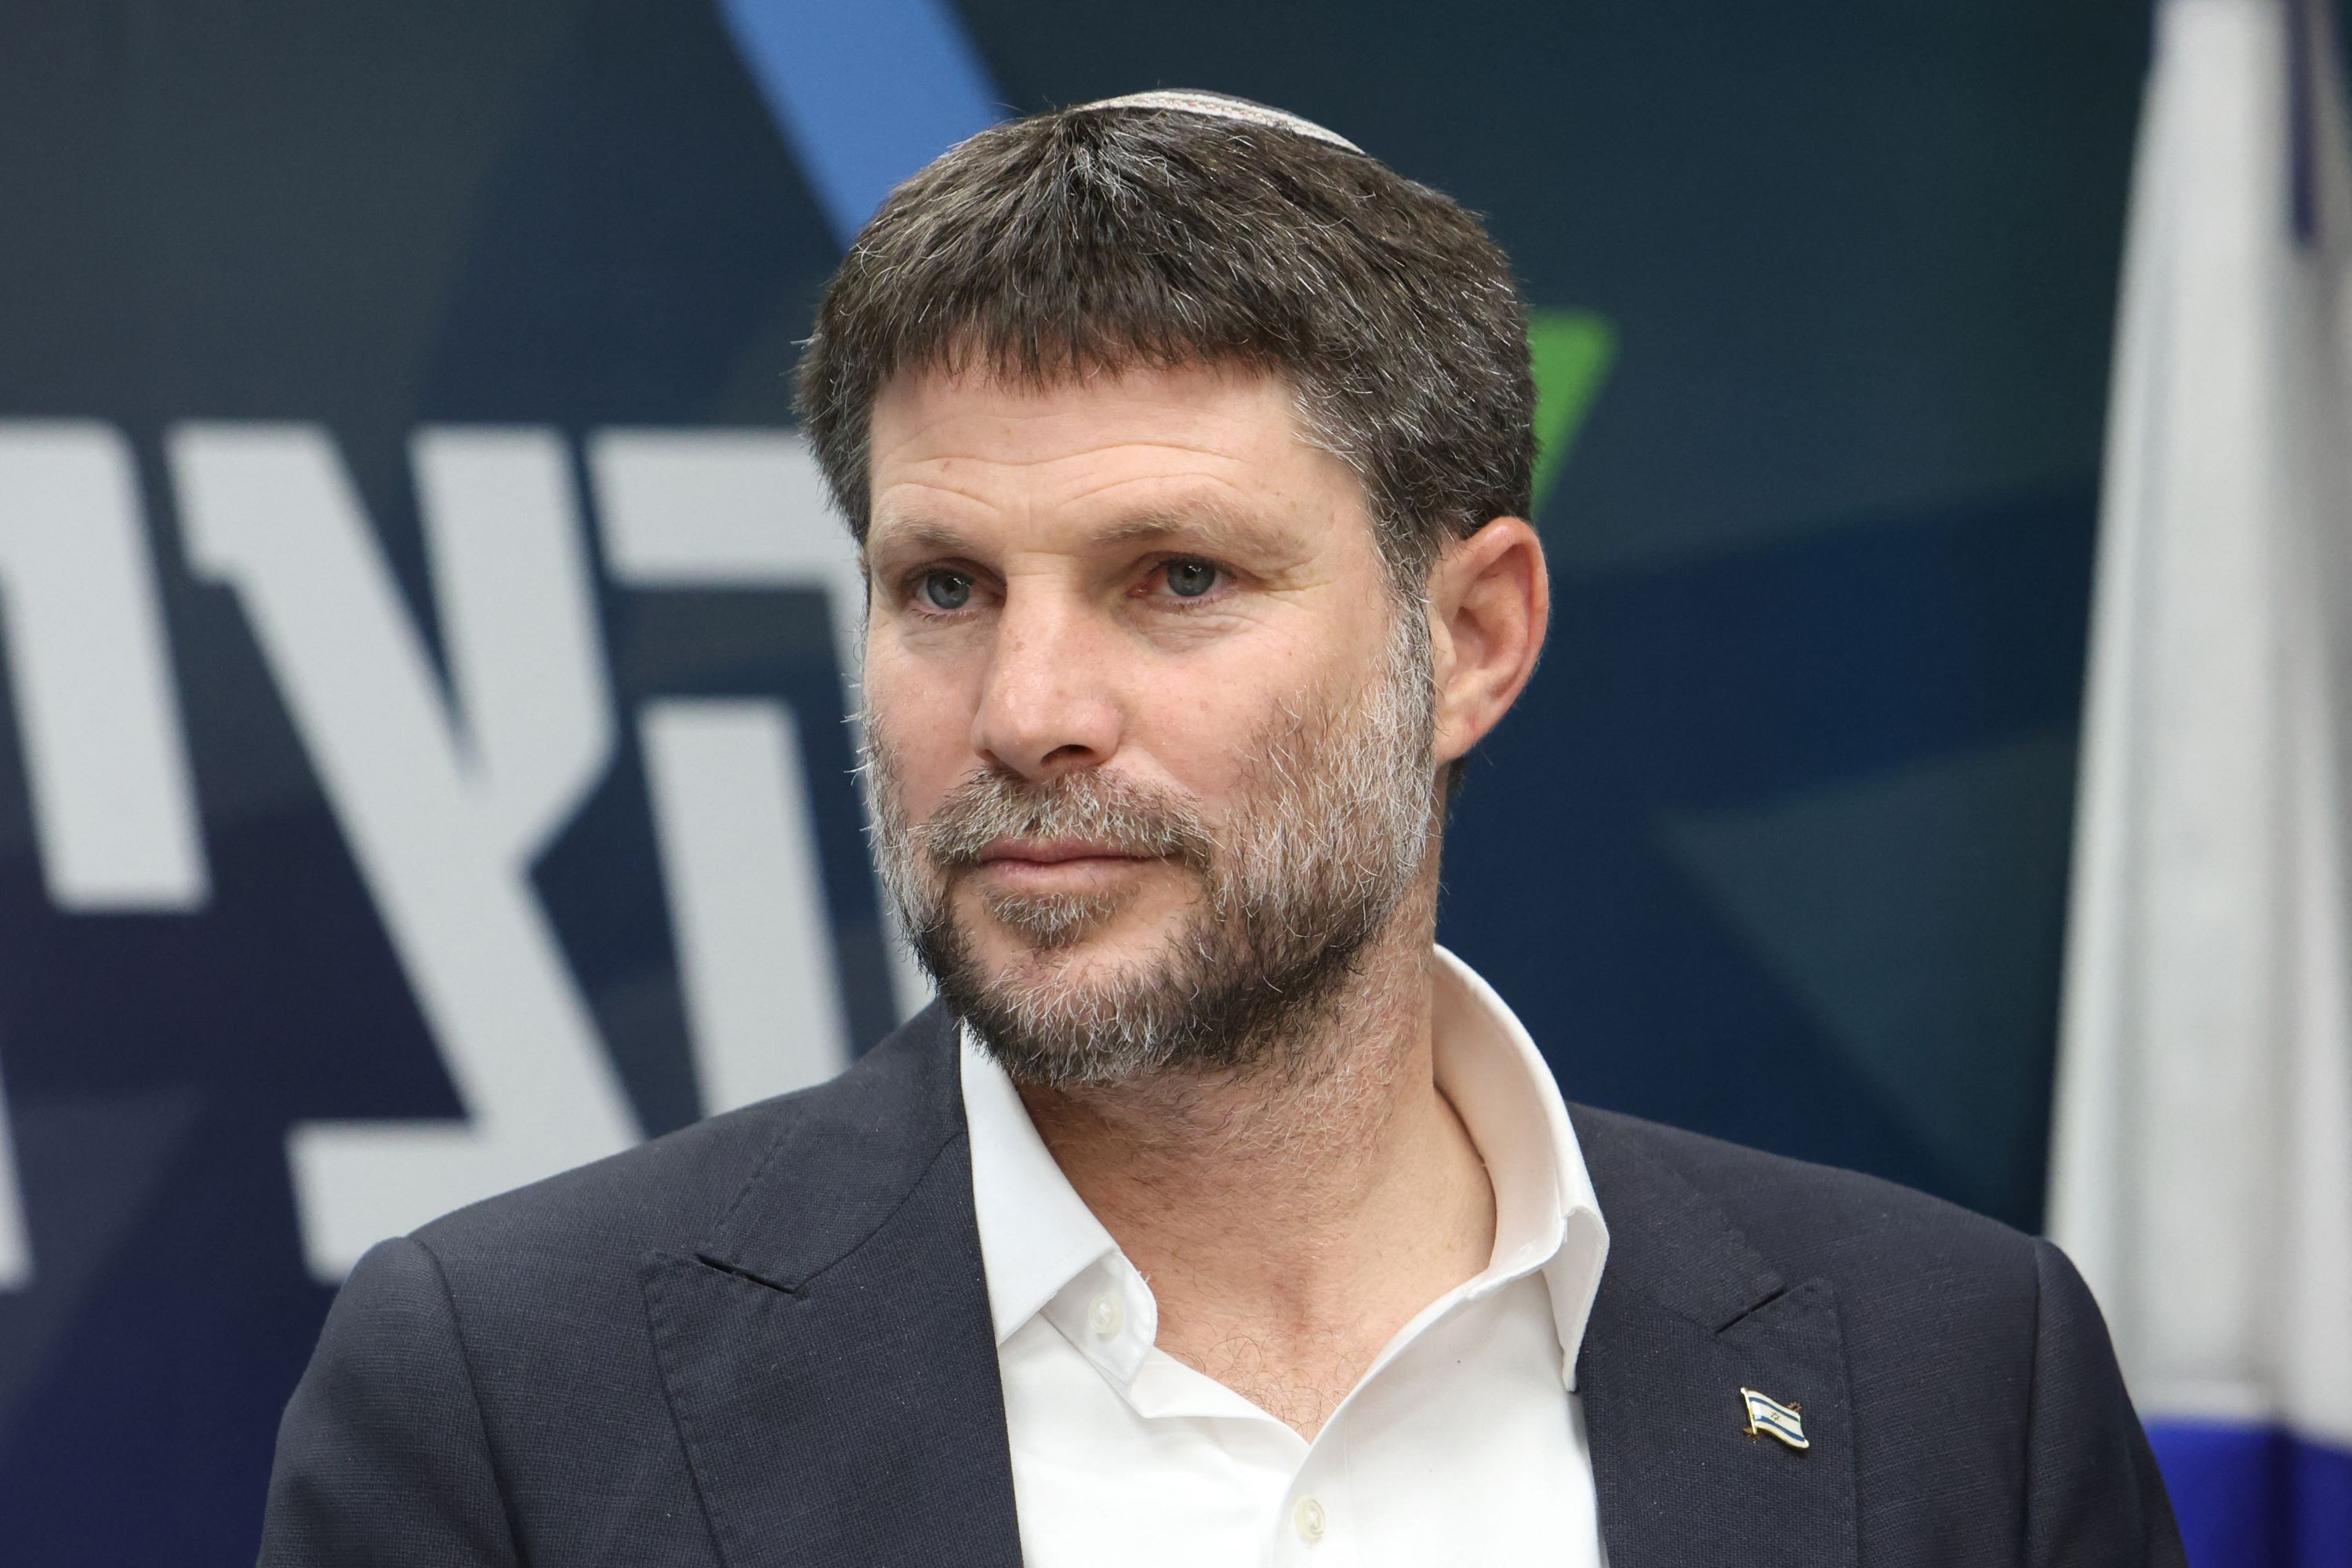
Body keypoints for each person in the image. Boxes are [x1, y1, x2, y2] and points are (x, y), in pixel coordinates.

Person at [259, 91, 2185, 1566]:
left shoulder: (1956, 1379)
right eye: (944, 586)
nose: (1026, 710)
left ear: (1476, 638)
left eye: (1175, 576)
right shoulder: (512, 1393)